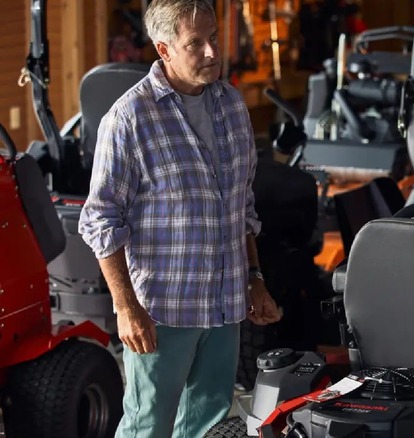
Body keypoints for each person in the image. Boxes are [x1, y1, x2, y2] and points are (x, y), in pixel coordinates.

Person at [78, 1, 281, 436]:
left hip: (224, 307)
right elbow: (99, 219)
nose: (211, 52)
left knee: (208, 423)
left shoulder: (231, 105)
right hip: (162, 311)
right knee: (146, 425)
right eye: (196, 44)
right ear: (164, 49)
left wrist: (255, 278)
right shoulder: (130, 118)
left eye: (213, 38)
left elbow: (241, 207)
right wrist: (125, 307)